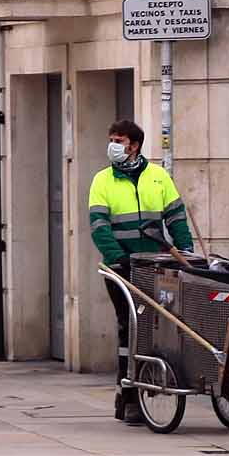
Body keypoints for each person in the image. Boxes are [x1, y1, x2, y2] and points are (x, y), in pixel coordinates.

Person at [88, 119, 195, 424]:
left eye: (118, 140)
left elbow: (176, 218)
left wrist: (184, 251)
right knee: (130, 327)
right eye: (111, 139)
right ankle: (129, 394)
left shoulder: (159, 178)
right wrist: (117, 257)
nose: (113, 145)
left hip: (157, 267)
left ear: (134, 145)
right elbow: (99, 226)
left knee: (160, 328)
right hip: (121, 268)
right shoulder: (103, 181)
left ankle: (152, 385)